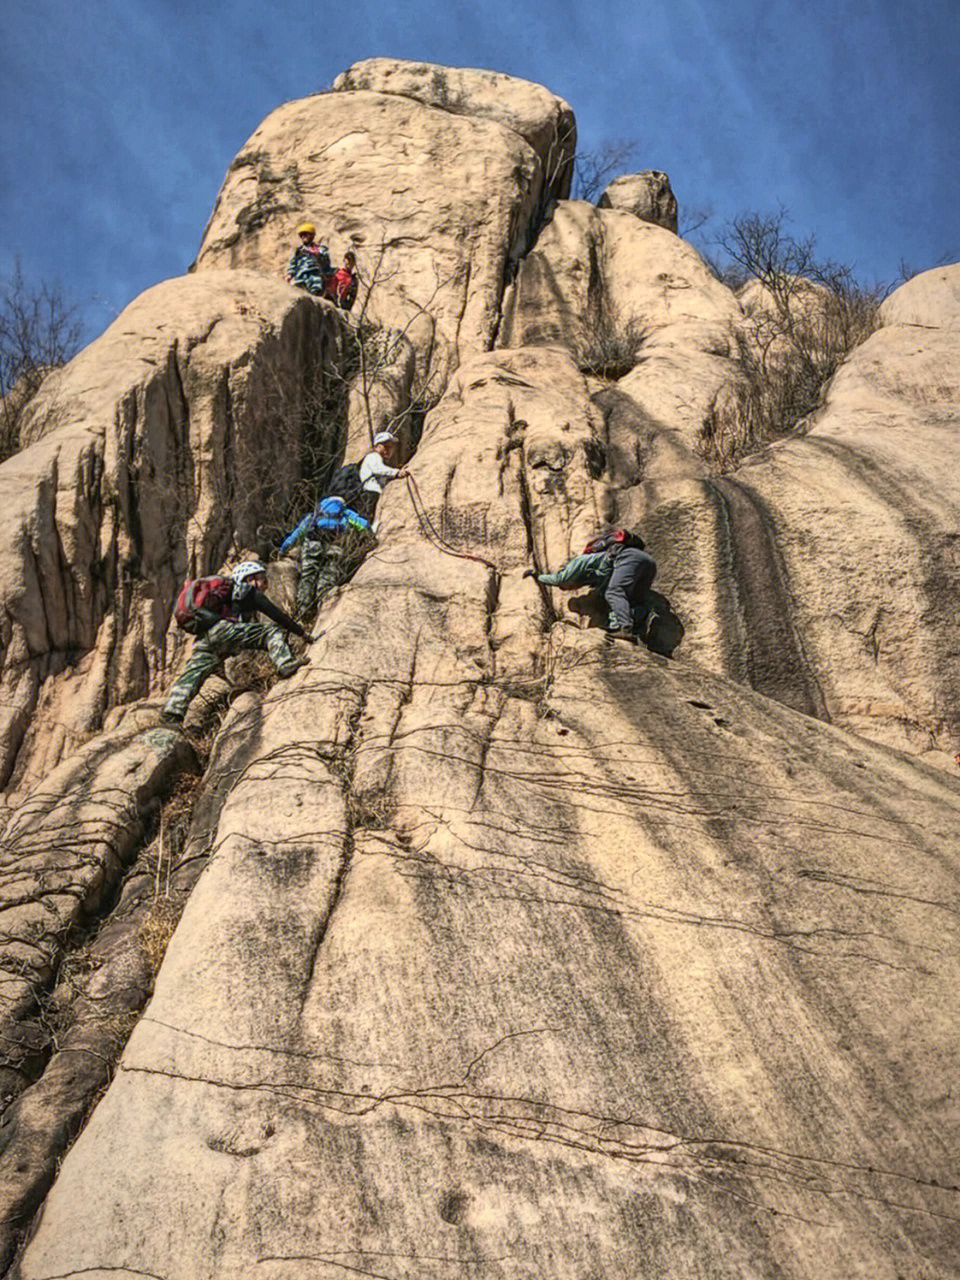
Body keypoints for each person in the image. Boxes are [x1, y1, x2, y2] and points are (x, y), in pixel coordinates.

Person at [162, 560, 309, 723]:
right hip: (224, 631)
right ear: (249, 579)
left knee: (193, 673)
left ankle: (172, 713)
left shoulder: (225, 599)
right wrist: (301, 633)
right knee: (271, 631)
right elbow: (276, 615)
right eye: (263, 580)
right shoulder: (248, 592)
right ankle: (285, 663)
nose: (265, 586)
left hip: (204, 638)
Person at [524, 539, 657, 642]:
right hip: (648, 563)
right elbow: (612, 602)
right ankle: (641, 622)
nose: (567, 588)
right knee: (630, 599)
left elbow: (560, 578)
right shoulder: (595, 574)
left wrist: (537, 576)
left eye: (566, 588)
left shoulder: (578, 562)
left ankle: (626, 629)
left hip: (628, 558)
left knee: (614, 592)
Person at [279, 495, 374, 616]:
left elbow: (298, 533)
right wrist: (371, 537)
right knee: (327, 578)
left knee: (308, 576)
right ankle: (323, 610)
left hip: (312, 545)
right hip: (335, 546)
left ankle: (303, 611)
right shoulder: (345, 513)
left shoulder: (315, 515)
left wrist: (284, 548)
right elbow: (364, 525)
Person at [357, 432, 409, 520]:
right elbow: (378, 469)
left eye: (391, 447)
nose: (388, 450)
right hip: (371, 493)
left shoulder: (379, 459)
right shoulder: (373, 456)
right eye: (385, 446)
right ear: (376, 447)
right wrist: (397, 472)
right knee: (369, 520)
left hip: (373, 493)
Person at [285, 222, 332, 296]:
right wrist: (289, 274)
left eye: (306, 234)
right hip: (300, 277)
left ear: (312, 235)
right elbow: (293, 264)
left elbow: (326, 263)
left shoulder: (320, 248)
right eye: (301, 235)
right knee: (298, 294)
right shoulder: (299, 250)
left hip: (314, 275)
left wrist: (317, 254)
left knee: (315, 293)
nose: (303, 237)